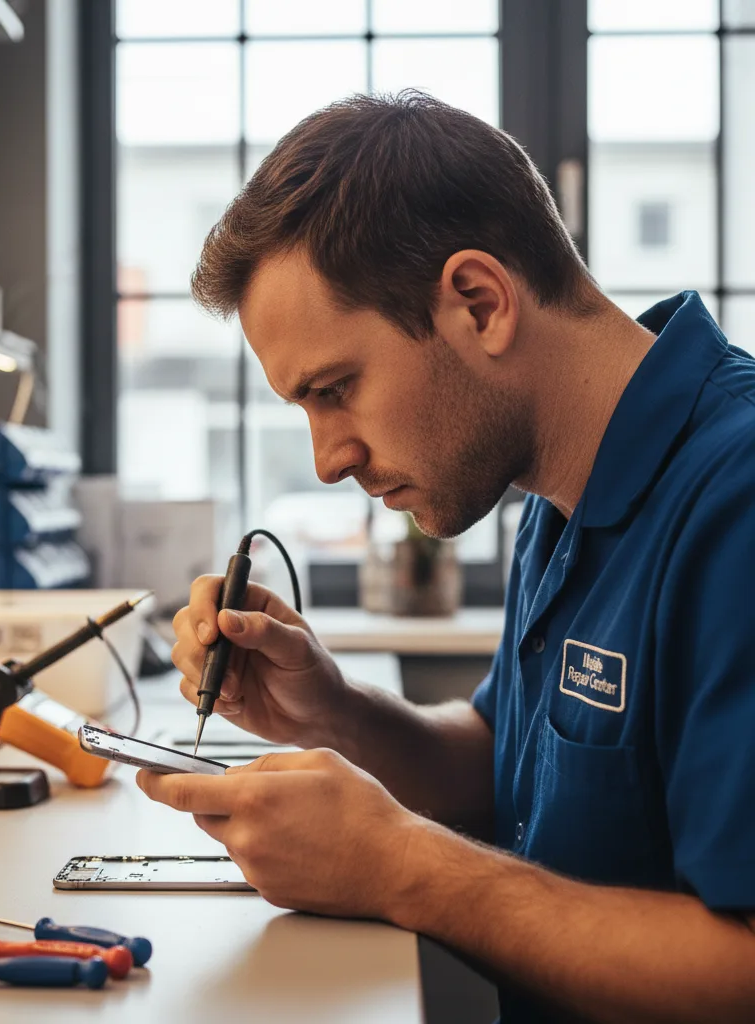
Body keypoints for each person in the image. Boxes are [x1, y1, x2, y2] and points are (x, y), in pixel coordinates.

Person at [135, 91, 755, 1023]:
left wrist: (403, 868)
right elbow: (508, 763)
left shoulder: (737, 499)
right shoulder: (556, 490)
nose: (328, 458)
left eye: (337, 389)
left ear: (480, 302)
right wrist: (333, 713)